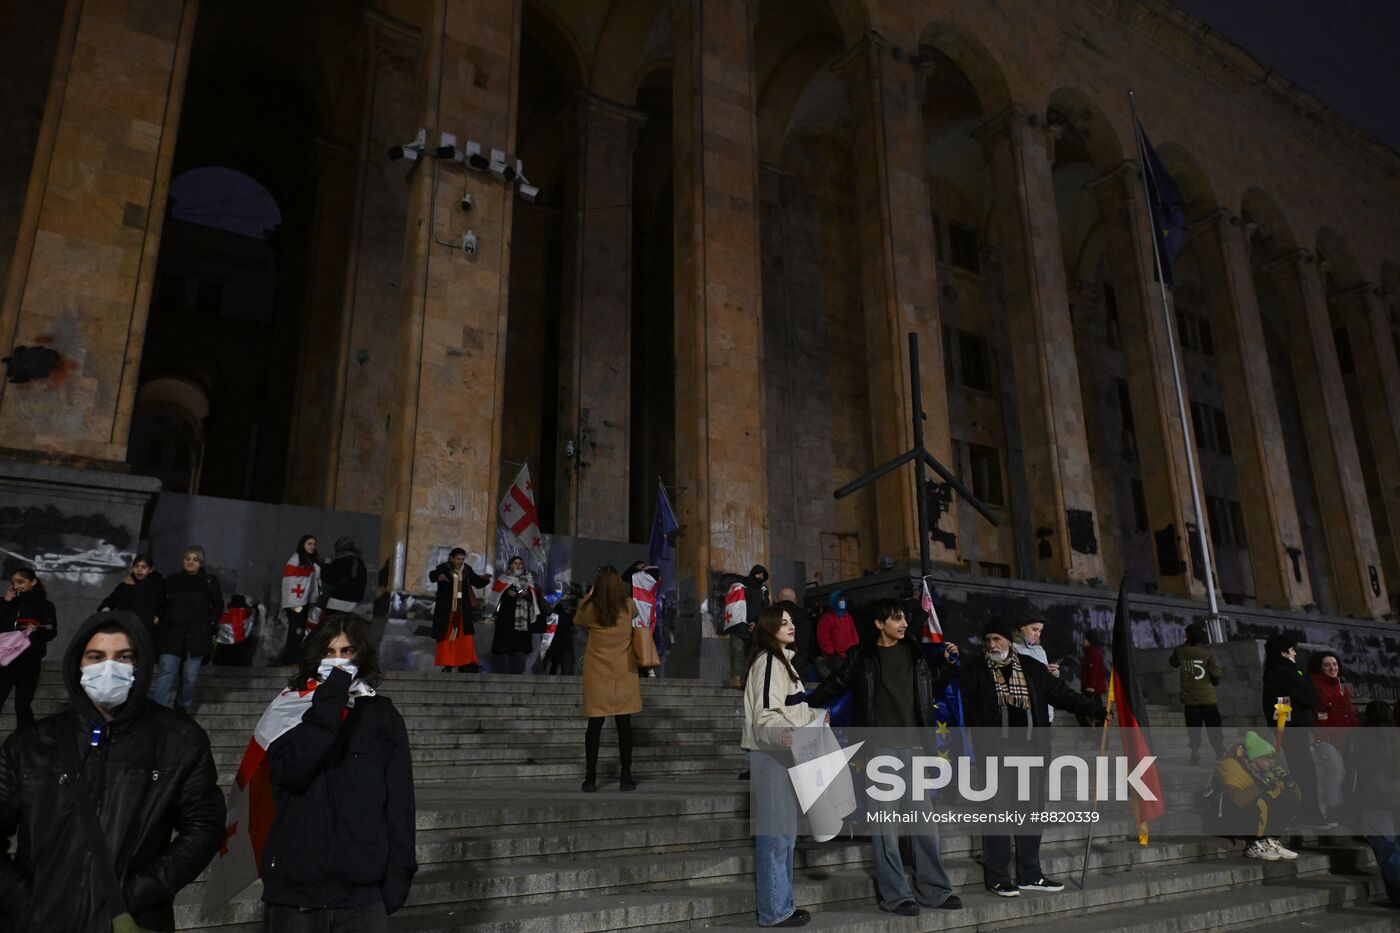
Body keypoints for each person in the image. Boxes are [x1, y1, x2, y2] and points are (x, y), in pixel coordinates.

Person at [0, 610, 224, 931]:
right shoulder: (31, 744)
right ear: (78, 663)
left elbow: (205, 827)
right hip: (40, 920)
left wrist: (136, 893)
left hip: (128, 920)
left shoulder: (179, 739)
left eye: (124, 656)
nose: (109, 667)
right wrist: (22, 899)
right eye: (96, 656)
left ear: (140, 664)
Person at [802, 599, 962, 917]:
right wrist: (804, 704)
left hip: (916, 751)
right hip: (881, 753)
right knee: (886, 830)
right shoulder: (863, 656)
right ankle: (895, 896)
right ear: (879, 624)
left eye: (904, 619)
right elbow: (836, 683)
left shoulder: (915, 653)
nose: (903, 624)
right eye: (896, 619)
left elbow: (931, 685)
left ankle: (935, 890)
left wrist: (948, 663)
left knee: (925, 827)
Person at [262, 615, 417, 930]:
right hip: (295, 898)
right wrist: (329, 704)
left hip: (362, 899)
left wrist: (395, 883)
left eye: (346, 652)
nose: (337, 661)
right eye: (328, 652)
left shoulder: (381, 716)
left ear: (361, 656)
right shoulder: (287, 710)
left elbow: (400, 805)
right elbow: (292, 772)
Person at [960, 617, 1104, 897]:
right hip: (995, 755)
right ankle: (999, 877)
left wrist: (1096, 710)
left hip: (1030, 753)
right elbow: (963, 706)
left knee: (1030, 814)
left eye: (997, 639)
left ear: (1007, 641)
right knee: (997, 815)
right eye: (987, 640)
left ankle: (1030, 874)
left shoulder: (1031, 668)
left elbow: (1062, 694)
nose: (992, 644)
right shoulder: (976, 670)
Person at [742, 606, 825, 928]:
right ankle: (775, 911)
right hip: (771, 755)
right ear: (769, 627)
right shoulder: (770, 662)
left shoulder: (783, 663)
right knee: (776, 836)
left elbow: (789, 709)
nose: (791, 626)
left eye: (792, 621)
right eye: (784, 622)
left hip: (780, 753)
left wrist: (816, 717)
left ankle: (782, 906)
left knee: (784, 835)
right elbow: (765, 714)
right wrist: (783, 734)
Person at [577, 566, 640, 792]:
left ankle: (590, 778)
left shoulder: (590, 607)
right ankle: (626, 776)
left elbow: (578, 620)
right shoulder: (627, 606)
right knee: (624, 725)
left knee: (594, 725)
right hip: (624, 671)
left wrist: (590, 594)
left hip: (597, 672)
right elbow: (636, 614)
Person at [1260, 634, 1325, 825]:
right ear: (1283, 652)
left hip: (1286, 728)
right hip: (1293, 728)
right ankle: (1310, 813)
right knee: (1305, 772)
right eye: (1292, 649)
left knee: (1301, 770)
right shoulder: (1286, 672)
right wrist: (1302, 674)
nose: (1295, 653)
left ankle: (1309, 812)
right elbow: (1310, 696)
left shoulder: (1273, 671)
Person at [1209, 730, 1301, 861]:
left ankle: (1269, 841)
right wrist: (1262, 785)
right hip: (1225, 816)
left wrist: (1289, 782)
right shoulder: (1229, 765)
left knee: (1288, 798)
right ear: (1253, 758)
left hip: (1248, 812)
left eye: (1272, 758)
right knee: (1260, 800)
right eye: (1265, 758)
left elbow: (1297, 799)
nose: (1271, 762)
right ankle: (1254, 845)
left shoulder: (1266, 771)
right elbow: (1239, 800)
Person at [1344, 701, 1400, 905]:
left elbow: (1351, 772)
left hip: (1373, 799)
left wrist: (1347, 801)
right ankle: (1395, 896)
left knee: (1386, 850)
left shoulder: (1357, 738)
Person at [155, 545, 222, 711]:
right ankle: (158, 710)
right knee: (166, 673)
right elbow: (160, 601)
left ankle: (182, 709)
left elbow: (218, 604)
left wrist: (209, 622)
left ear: (201, 562)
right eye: (187, 559)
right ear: (182, 560)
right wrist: (161, 617)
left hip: (197, 636)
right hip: (172, 634)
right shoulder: (172, 580)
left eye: (195, 559)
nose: (191, 562)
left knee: (189, 677)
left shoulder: (209, 581)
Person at [0, 567, 57, 731]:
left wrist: (39, 629)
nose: (17, 586)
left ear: (33, 582)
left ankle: (25, 744)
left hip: (29, 662)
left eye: (21, 582)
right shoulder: (8, 602)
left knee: (22, 706)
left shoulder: (45, 605)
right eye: (13, 583)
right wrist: (6, 601)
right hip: (5, 661)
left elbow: (51, 632)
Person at [1308, 650, 1358, 823]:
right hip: (1324, 735)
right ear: (1320, 668)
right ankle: (1333, 808)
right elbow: (1320, 707)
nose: (1332, 667)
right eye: (1327, 665)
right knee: (1335, 771)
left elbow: (1349, 710)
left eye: (1335, 664)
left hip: (1341, 736)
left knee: (1341, 772)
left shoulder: (1342, 685)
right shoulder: (1316, 684)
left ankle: (1339, 808)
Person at [1169, 623, 1225, 764]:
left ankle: (1195, 751)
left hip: (1190, 697)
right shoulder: (1208, 651)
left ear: (1187, 636)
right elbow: (1216, 671)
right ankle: (1219, 752)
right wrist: (1215, 682)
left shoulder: (1180, 651)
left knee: (1193, 726)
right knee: (1214, 727)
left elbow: (1173, 663)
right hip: (1208, 697)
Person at [430, 548, 490, 673]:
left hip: (463, 611)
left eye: (462, 559)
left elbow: (477, 582)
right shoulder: (444, 568)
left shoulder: (466, 569)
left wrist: (486, 579)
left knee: (465, 638)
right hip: (448, 611)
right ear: (451, 558)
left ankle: (466, 663)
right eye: (458, 559)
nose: (460, 562)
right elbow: (433, 574)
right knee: (448, 638)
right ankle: (448, 664)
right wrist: (438, 577)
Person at [492, 556, 545, 674]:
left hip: (521, 622)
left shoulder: (528, 579)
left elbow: (534, 598)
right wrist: (506, 593)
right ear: (510, 565)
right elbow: (495, 597)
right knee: (504, 649)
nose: (518, 566)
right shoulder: (503, 578)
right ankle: (503, 673)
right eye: (515, 563)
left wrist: (526, 594)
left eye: (520, 563)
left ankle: (518, 674)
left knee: (519, 650)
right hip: (506, 621)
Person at [279, 535, 322, 664]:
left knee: (300, 630)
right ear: (303, 544)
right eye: (309, 543)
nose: (312, 546)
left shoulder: (309, 561)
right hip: (295, 602)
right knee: (296, 629)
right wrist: (292, 602)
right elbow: (289, 582)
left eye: (314, 544)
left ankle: (293, 658)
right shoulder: (295, 559)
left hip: (303, 601)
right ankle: (290, 659)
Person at [726, 565, 771, 689]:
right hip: (739, 625)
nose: (760, 577)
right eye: (758, 574)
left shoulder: (763, 590)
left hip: (755, 627)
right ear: (753, 573)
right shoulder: (740, 586)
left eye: (763, 575)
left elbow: (765, 608)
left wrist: (757, 622)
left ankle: (750, 680)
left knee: (753, 653)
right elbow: (734, 605)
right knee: (737, 650)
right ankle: (736, 679)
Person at [98, 553, 164, 632]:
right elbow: (111, 600)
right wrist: (106, 609)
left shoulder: (157, 587)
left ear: (150, 570)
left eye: (144, 567)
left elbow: (163, 605)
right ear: (132, 568)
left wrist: (160, 616)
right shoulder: (125, 585)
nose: (139, 570)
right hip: (124, 628)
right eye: (136, 566)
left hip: (146, 631)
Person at [1012, 619, 1058, 723]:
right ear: (1022, 626)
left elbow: (1048, 683)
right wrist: (1041, 671)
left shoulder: (1040, 650)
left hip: (1044, 709)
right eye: (1034, 629)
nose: (1037, 634)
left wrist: (1053, 673)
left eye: (1040, 631)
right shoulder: (1013, 648)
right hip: (1025, 711)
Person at [773, 587, 815, 680]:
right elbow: (812, 640)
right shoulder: (804, 615)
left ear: (776, 599)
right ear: (795, 600)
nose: (792, 627)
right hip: (801, 662)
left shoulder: (770, 615)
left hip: (776, 660)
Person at [815, 590, 859, 674]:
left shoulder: (847, 616)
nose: (842, 602)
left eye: (843, 600)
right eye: (840, 600)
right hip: (835, 657)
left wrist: (854, 648)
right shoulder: (826, 618)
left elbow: (853, 633)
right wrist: (832, 653)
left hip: (849, 655)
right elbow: (823, 639)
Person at [321, 537, 368, 612]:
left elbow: (328, 578)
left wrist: (326, 564)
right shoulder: (360, 563)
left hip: (337, 602)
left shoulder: (340, 562)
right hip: (354, 603)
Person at [1077, 629, 1107, 727]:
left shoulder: (1092, 652)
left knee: (1080, 710)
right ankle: (1099, 738)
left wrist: (1091, 686)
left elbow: (1093, 671)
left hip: (1091, 690)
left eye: (1085, 639)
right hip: (1092, 689)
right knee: (1096, 714)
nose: (1083, 641)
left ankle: (1093, 736)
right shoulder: (1092, 652)